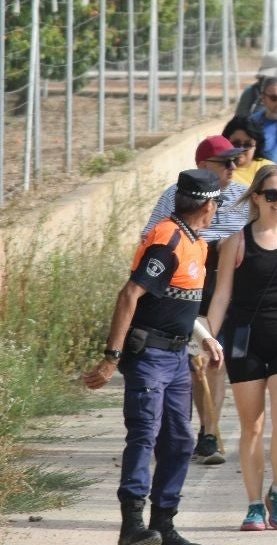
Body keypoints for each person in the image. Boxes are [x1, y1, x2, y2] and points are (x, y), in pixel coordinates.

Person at [84, 169, 225, 545]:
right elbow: (130, 295)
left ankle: (163, 522)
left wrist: (203, 337)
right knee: (145, 435)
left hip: (177, 357)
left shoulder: (197, 242)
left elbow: (179, 304)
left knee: (179, 440)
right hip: (149, 355)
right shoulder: (169, 239)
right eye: (217, 205)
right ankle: (132, 525)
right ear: (208, 205)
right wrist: (111, 356)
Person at [206, 165, 277, 532]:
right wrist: (207, 339)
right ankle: (255, 504)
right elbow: (221, 296)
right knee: (251, 426)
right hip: (246, 338)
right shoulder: (235, 243)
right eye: (272, 194)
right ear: (256, 197)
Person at [142, 135, 250, 465]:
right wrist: (204, 244)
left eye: (236, 161)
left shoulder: (240, 195)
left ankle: (208, 432)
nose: (234, 167)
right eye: (226, 162)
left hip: (227, 280)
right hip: (186, 281)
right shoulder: (174, 197)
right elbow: (151, 236)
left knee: (215, 359)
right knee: (194, 361)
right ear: (203, 165)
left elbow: (252, 237)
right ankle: (189, 432)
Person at [224, 116, 275, 188]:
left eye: (247, 145)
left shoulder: (268, 170)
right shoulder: (216, 168)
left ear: (256, 147)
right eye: (236, 144)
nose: (241, 149)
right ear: (225, 141)